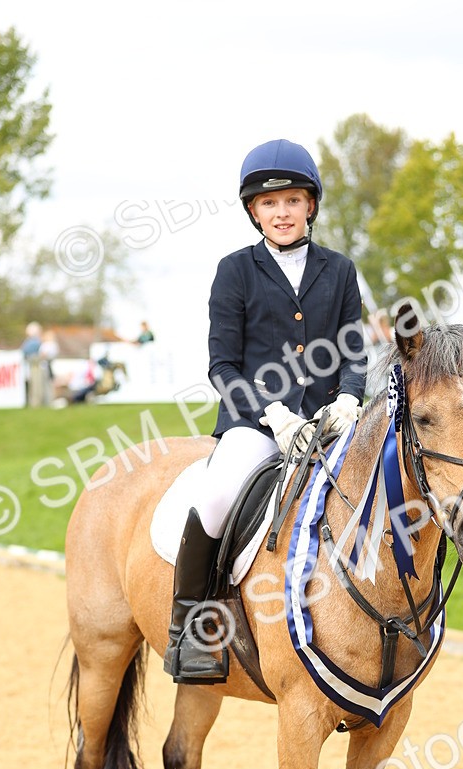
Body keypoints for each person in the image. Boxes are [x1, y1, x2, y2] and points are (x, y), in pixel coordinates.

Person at [163, 138, 367, 683]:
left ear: (311, 206)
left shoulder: (340, 270)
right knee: (216, 496)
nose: (282, 212)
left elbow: (354, 350)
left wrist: (350, 397)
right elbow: (222, 367)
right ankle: (192, 630)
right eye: (269, 204)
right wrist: (273, 413)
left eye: (292, 201)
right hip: (257, 425)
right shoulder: (236, 271)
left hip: (328, 423)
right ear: (254, 211)